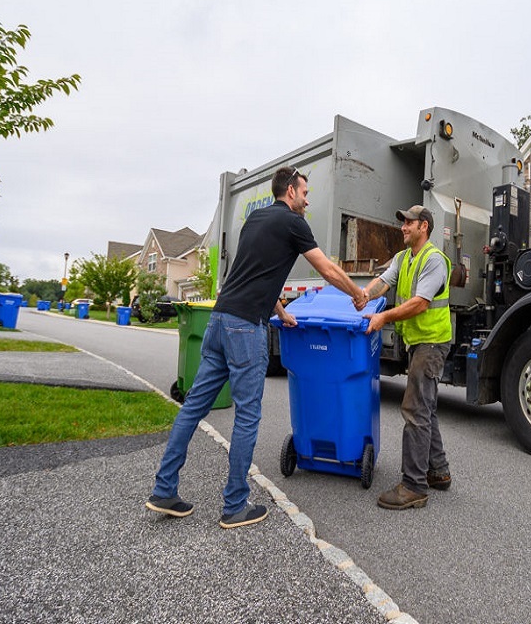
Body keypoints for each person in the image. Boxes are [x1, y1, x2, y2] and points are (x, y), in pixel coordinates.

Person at [146, 166, 367, 528]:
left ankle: (163, 489)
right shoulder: (295, 223)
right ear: (291, 191)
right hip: (245, 328)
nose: (308, 200)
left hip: (219, 321)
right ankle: (235, 505)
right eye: (305, 192)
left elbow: (251, 273)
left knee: (193, 408)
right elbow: (326, 269)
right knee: (248, 415)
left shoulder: (254, 219)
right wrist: (358, 293)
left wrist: (280, 310)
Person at [363, 204, 452, 510]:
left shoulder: (433, 260)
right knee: (426, 407)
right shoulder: (404, 258)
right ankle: (438, 471)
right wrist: (363, 295)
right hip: (418, 343)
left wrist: (383, 317)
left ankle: (414, 485)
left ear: (423, 226)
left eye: (409, 223)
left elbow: (419, 304)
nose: (403, 227)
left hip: (432, 343)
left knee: (414, 410)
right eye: (402, 222)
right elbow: (383, 282)